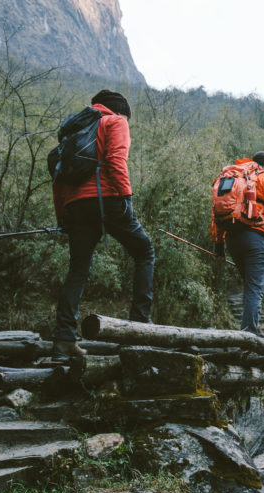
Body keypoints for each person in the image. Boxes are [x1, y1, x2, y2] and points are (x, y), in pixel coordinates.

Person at [52, 90, 155, 358]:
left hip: (75, 204)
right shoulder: (114, 122)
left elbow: (59, 177)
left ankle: (64, 338)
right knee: (144, 252)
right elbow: (116, 160)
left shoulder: (74, 130)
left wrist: (62, 215)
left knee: (78, 270)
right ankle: (140, 325)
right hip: (108, 198)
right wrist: (126, 196)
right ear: (120, 111)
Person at [211, 151, 264, 336]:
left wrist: (219, 248)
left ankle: (253, 329)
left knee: (250, 287)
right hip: (255, 238)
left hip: (232, 240)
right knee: (254, 289)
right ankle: (249, 337)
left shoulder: (232, 178)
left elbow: (216, 215)